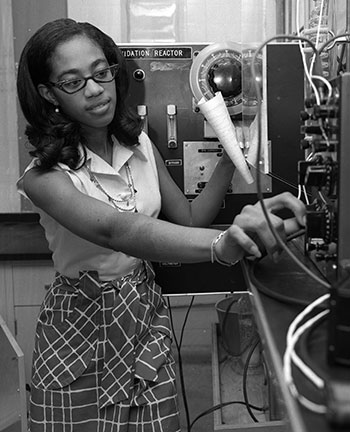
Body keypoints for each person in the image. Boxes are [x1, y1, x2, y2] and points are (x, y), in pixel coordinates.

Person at [16, 18, 305, 432]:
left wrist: (229, 156)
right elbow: (118, 231)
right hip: (79, 326)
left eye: (101, 73)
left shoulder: (139, 146)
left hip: (144, 314)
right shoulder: (43, 177)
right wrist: (223, 242)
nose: (96, 90)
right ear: (48, 94)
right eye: (74, 82)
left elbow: (189, 217)